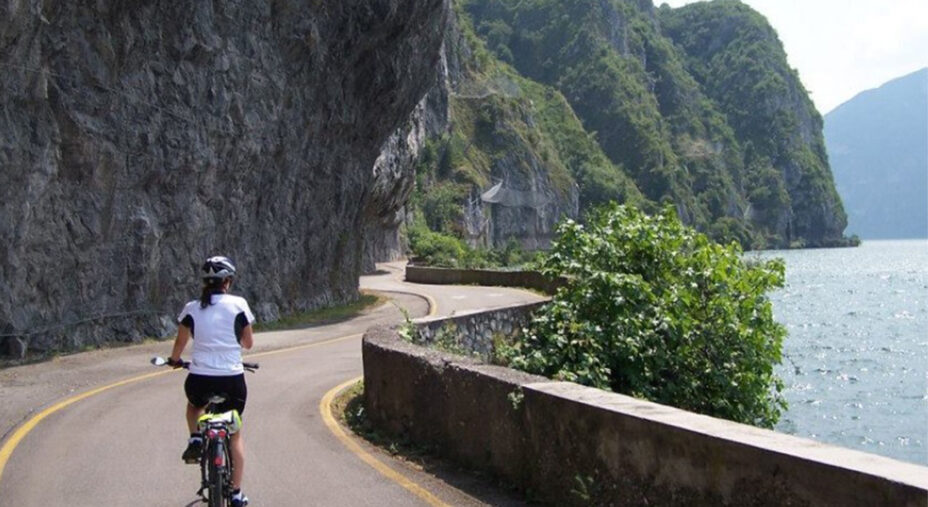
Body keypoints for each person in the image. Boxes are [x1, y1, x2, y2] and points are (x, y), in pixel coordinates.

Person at [168, 255, 255, 507]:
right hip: (232, 380)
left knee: (194, 406)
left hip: (199, 379)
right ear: (227, 281)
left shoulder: (192, 308)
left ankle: (196, 437)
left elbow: (180, 342)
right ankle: (236, 494)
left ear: (205, 282)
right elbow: (248, 343)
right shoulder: (239, 304)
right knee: (234, 433)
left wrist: (175, 360)